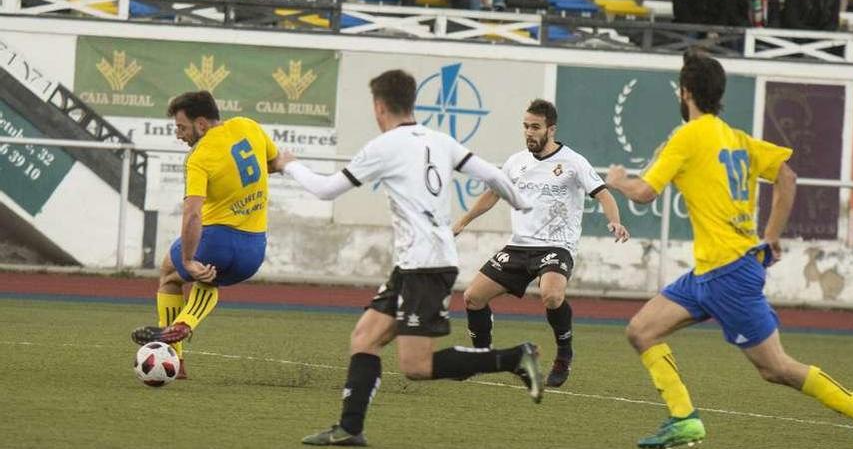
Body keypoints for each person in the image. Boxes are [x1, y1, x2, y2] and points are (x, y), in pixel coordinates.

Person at [604, 51, 853, 448]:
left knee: (776, 368)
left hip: (728, 274)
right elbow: (787, 175)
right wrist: (771, 236)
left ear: (685, 93)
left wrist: (618, 180)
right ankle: (684, 419)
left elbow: (645, 193)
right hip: (709, 273)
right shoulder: (735, 138)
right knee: (641, 331)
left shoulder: (688, 136)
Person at [278, 70, 544, 447]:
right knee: (365, 337)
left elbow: (325, 190)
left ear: (379, 106)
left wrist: (287, 164)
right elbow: (495, 176)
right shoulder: (440, 140)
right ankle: (350, 429)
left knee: (416, 366)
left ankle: (515, 357)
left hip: (427, 265)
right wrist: (524, 203)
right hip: (414, 264)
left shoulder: (384, 146)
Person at [452, 99, 630, 388]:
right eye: (525, 126)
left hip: (556, 246)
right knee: (472, 297)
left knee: (551, 295)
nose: (529, 132)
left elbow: (603, 194)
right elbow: (492, 194)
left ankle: (563, 356)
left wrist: (615, 221)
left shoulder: (573, 161)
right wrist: (463, 221)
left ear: (551, 129)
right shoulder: (516, 162)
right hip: (519, 246)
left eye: (535, 127)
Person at [130, 91, 281, 378]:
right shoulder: (248, 126)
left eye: (181, 127)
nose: (178, 135)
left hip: (217, 241)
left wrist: (187, 260)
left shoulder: (199, 156)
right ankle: (185, 323)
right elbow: (273, 163)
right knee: (208, 278)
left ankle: (175, 355)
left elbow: (193, 214)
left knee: (171, 274)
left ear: (201, 124)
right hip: (253, 250)